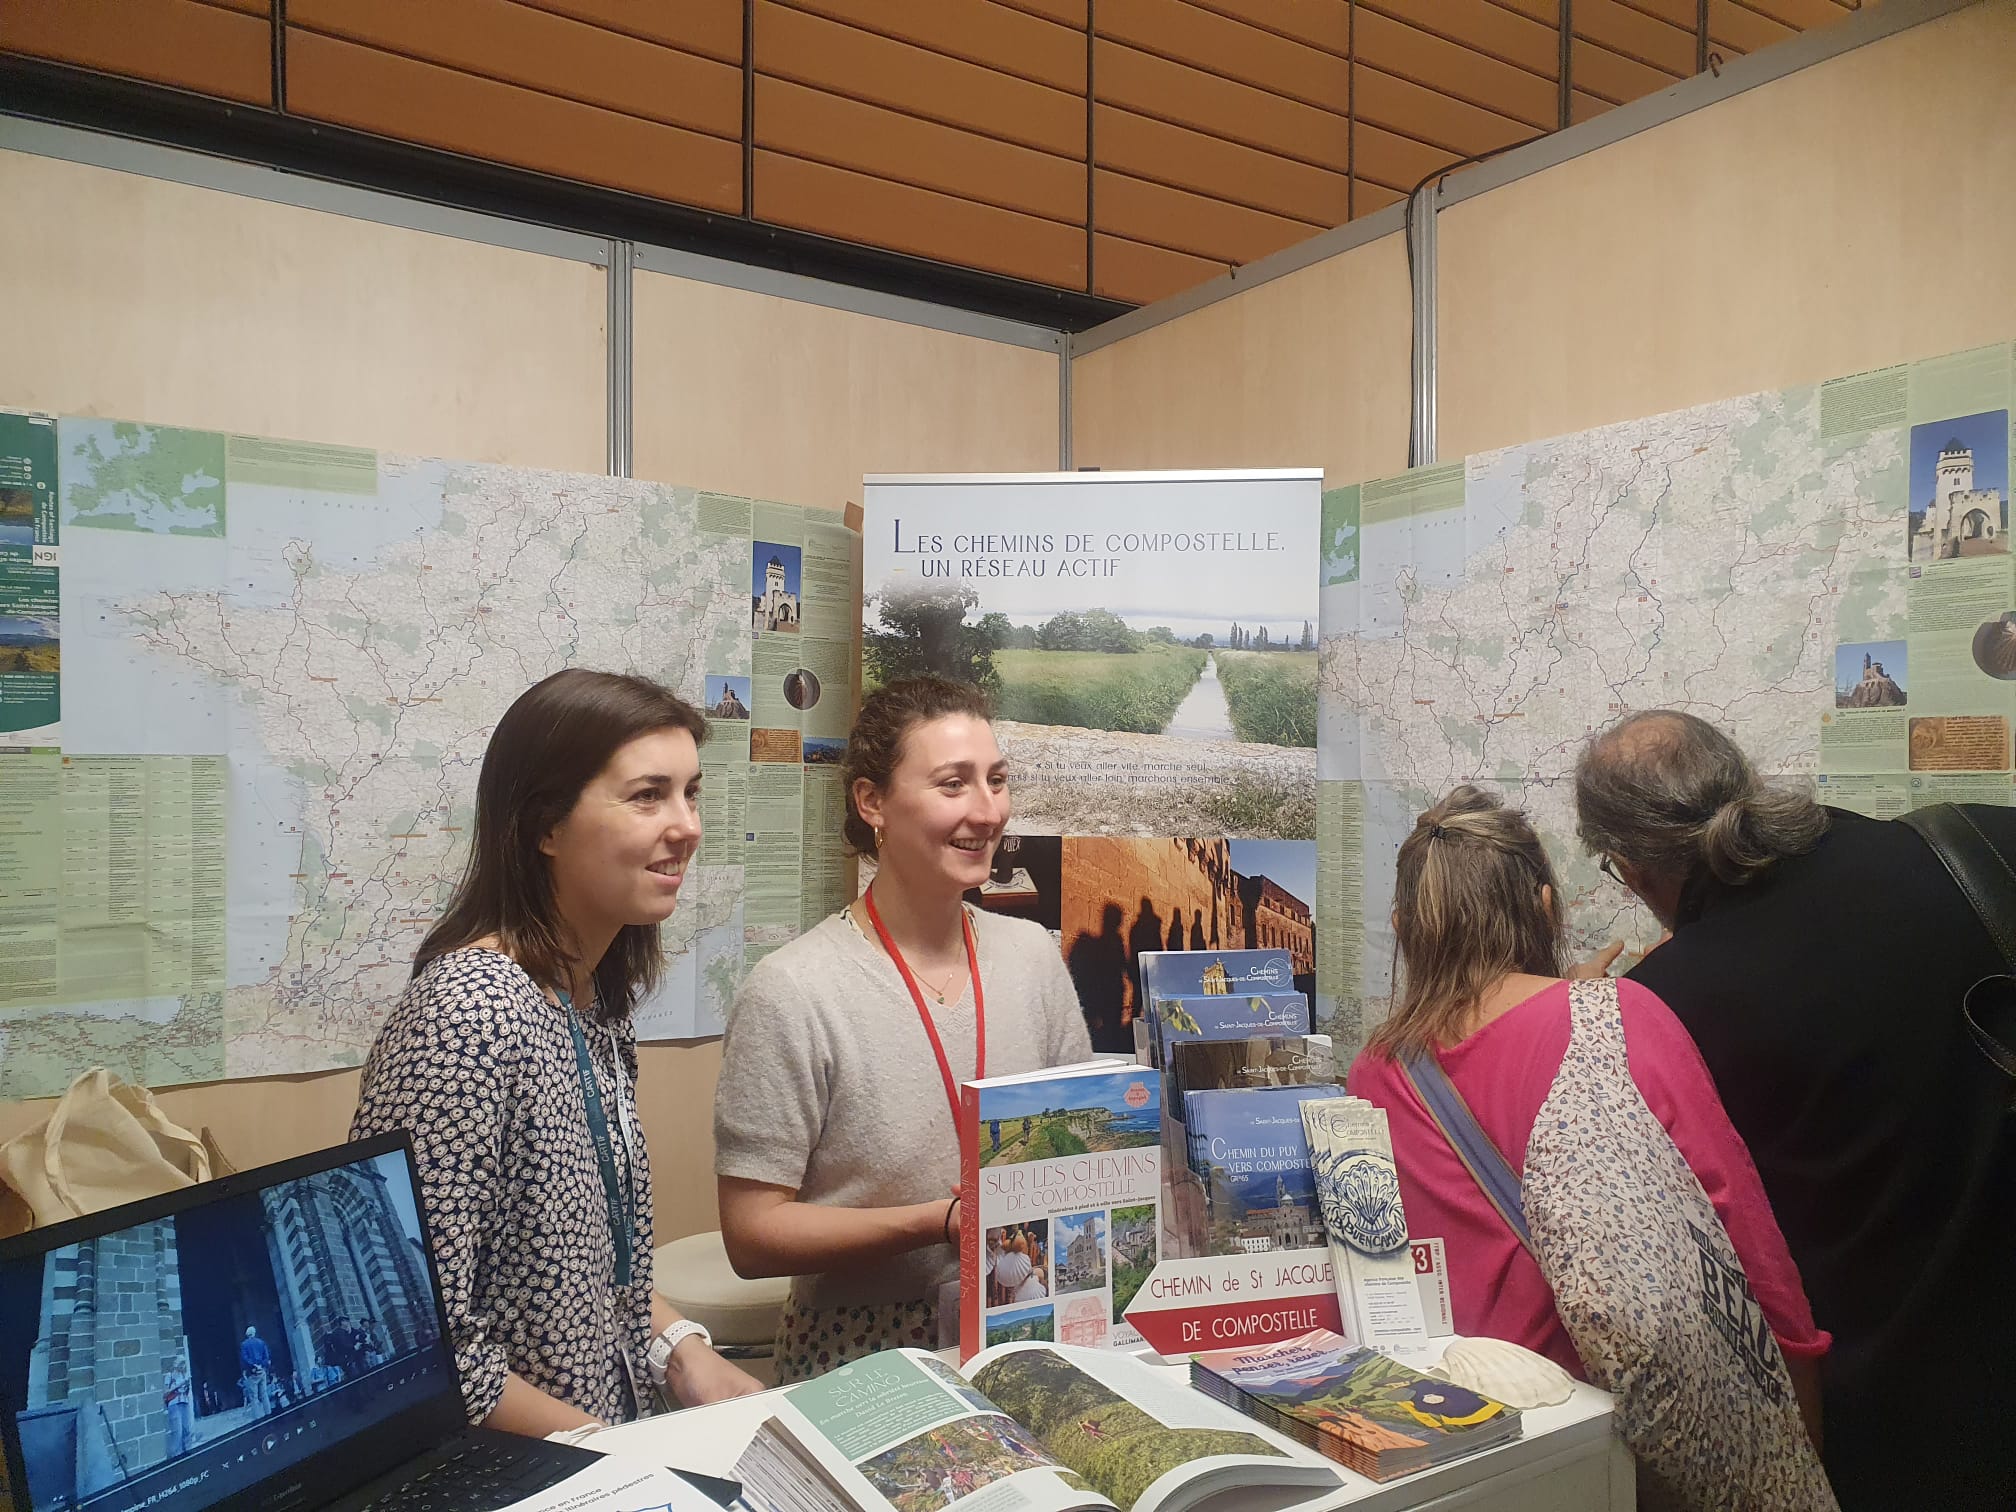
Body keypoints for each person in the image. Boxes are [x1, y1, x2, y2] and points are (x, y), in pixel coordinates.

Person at [1574, 710, 2016, 1510]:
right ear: (1743, 782)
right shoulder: (1976, 845)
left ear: (1631, 868)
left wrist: (1577, 1029)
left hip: (1889, 1431)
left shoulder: (1660, 1011)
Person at [352, 668, 761, 1435]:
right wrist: (610, 1459)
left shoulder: (590, 1002)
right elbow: (418, 1341)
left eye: (691, 792)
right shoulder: (466, 1015)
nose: (687, 826)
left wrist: (680, 1349)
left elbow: (593, 1269)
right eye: (648, 796)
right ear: (545, 825)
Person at [1346, 788, 1830, 1428]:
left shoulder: (1374, 1070)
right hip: (1604, 1424)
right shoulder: (1621, 1020)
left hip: (1454, 1422)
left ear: (1404, 928)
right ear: (1547, 908)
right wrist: (1799, 1376)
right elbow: (1735, 1222)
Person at [714, 675, 1093, 1382]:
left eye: (997, 780)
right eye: (953, 785)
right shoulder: (794, 989)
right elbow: (753, 1235)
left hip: (1023, 1317)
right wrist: (937, 1220)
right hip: (863, 1356)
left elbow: (1077, 1147)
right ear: (872, 802)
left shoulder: (1032, 956)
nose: (987, 811)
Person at [162, 1357, 194, 1457]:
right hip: (174, 1404)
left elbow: (186, 1390)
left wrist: (186, 1384)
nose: (183, 1365)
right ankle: (177, 1456)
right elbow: (165, 1393)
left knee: (186, 1429)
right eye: (181, 1363)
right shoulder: (169, 1376)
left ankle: (188, 1453)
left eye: (184, 1363)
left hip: (184, 1402)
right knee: (177, 1431)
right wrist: (179, 1384)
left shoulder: (184, 1375)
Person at [239, 1326, 272, 1414]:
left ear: (247, 1335)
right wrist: (261, 1365)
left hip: (252, 1372)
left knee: (254, 1397)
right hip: (262, 1371)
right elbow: (266, 1357)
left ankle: (258, 1417)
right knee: (264, 1394)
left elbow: (244, 1358)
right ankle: (268, 1413)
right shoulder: (261, 1342)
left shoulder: (244, 1344)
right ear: (254, 1333)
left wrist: (253, 1365)